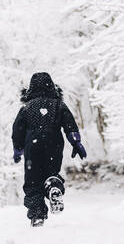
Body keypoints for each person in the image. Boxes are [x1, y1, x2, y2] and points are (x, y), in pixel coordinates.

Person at [12, 72, 87, 227]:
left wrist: (18, 149)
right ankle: (53, 187)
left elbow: (17, 130)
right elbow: (69, 124)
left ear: (31, 89)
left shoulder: (26, 108)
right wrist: (76, 142)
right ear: (52, 86)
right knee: (51, 174)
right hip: (54, 145)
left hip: (32, 148)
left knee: (33, 182)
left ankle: (37, 214)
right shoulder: (58, 105)